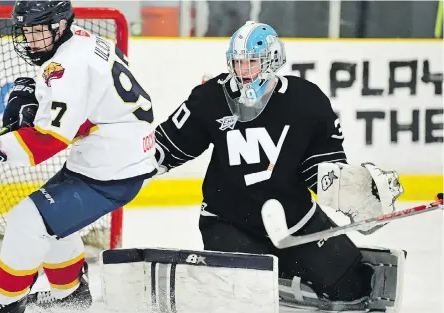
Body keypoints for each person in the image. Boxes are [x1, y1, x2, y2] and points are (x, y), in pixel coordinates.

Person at [154, 21, 405, 311]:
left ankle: (286, 277)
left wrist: (354, 192)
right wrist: (126, 169)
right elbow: (168, 147)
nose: (243, 71)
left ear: (272, 61)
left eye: (252, 62)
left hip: (296, 221)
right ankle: (272, 282)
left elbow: (321, 167)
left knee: (354, 285)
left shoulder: (307, 100)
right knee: (244, 296)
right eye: (237, 62)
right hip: (229, 222)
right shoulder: (211, 97)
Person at [0, 1, 156, 313]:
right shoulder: (83, 39)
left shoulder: (70, 65)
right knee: (50, 222)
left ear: (61, 26)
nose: (30, 39)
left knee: (26, 220)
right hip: (111, 156)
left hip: (113, 170)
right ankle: (70, 294)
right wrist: (37, 97)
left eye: (39, 31)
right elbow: (96, 96)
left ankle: (7, 301)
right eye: (27, 31)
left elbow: (47, 141)